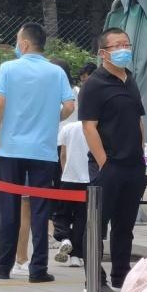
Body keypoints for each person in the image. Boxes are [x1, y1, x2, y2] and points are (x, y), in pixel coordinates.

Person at [0, 22, 75, 284]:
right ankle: (38, 269)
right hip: (43, 150)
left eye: (17, 40)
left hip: (12, 148)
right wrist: (51, 120)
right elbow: (69, 106)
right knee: (40, 210)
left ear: (24, 44)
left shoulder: (8, 68)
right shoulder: (56, 72)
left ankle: (4, 266)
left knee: (10, 206)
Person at [78, 28, 146, 292]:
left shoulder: (130, 79)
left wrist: (141, 153)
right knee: (97, 225)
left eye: (126, 44)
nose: (123, 50)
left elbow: (138, 120)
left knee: (125, 225)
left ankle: (121, 275)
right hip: (109, 165)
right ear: (103, 53)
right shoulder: (94, 84)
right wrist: (104, 163)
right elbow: (89, 127)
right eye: (117, 46)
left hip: (134, 164)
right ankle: (94, 278)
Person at [54, 61, 94, 262]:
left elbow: (63, 155)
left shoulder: (67, 129)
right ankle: (76, 255)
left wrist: (63, 171)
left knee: (62, 212)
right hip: (88, 177)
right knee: (81, 216)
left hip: (68, 175)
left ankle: (64, 238)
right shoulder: (95, 129)